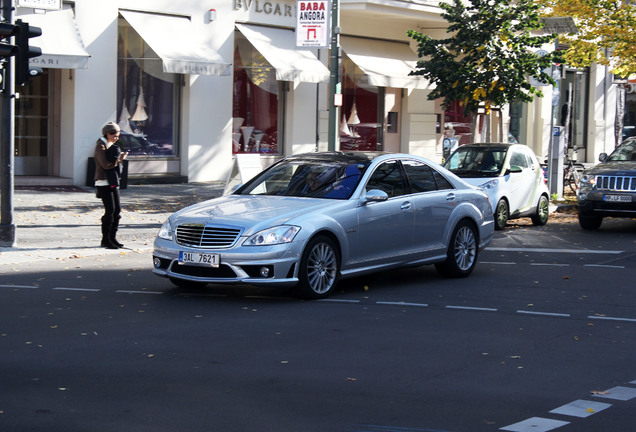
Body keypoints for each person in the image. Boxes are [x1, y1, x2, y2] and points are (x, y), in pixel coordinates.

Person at [94, 122, 128, 249]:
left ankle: (113, 238)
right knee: (110, 210)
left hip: (113, 181)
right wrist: (119, 160)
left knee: (117, 210)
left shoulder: (111, 144)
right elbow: (105, 165)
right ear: (108, 134)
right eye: (115, 136)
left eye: (118, 136)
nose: (117, 138)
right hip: (103, 182)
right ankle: (106, 240)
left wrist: (120, 159)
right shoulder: (100, 146)